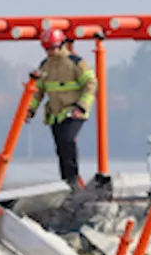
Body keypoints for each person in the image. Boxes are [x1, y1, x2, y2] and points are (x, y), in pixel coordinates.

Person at [26, 28, 97, 192]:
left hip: (74, 111)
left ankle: (73, 183)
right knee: (60, 149)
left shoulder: (75, 63)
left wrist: (81, 106)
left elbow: (91, 84)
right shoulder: (45, 65)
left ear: (61, 45)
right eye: (47, 49)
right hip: (55, 115)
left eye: (52, 48)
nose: (50, 52)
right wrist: (30, 110)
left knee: (67, 141)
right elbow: (38, 91)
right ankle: (66, 183)